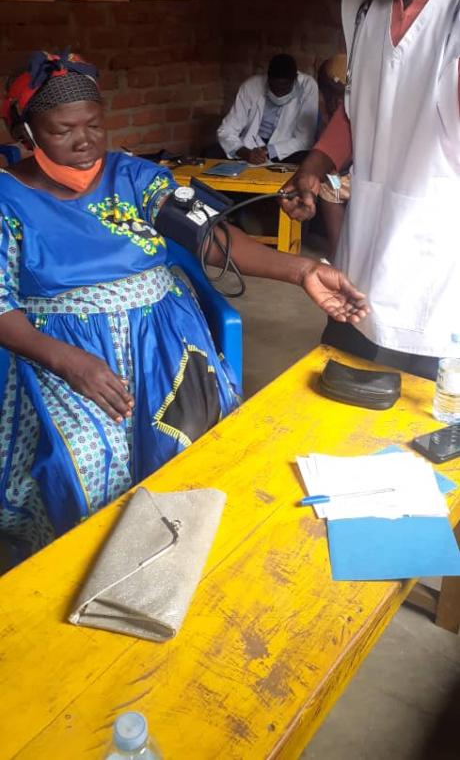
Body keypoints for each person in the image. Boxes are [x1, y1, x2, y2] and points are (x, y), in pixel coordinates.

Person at [0, 50, 367, 556]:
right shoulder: (8, 200)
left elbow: (209, 237)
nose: (85, 142)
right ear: (26, 134)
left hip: (164, 338)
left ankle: (182, 555)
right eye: (63, 131)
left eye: (95, 125)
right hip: (63, 352)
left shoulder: (133, 177)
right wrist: (70, 363)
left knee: (194, 443)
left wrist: (302, 270)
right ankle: (95, 568)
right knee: (86, 465)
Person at [281, 0, 460, 381]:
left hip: (437, 285)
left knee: (416, 420)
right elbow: (365, 104)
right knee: (334, 392)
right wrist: (317, 164)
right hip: (359, 270)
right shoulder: (365, 1)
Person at [216, 54, 319, 165]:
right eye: (274, 88)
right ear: (267, 79)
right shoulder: (251, 86)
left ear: (295, 79)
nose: (279, 94)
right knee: (212, 152)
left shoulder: (307, 86)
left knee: (307, 158)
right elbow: (226, 131)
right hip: (251, 147)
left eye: (284, 88)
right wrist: (245, 152)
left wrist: (268, 151)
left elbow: (305, 139)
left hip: (286, 149)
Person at [316, 54, 350, 258]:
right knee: (330, 182)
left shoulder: (351, 107)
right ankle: (337, 250)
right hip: (345, 172)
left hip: (364, 174)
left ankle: (337, 252)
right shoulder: (331, 110)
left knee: (329, 188)